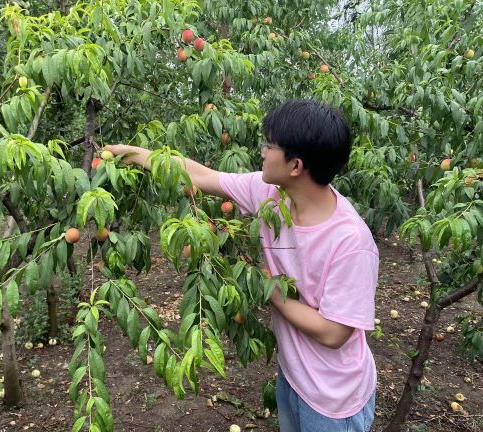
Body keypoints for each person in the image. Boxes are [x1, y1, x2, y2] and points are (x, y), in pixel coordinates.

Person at [104, 99, 378, 432]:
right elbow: (201, 175)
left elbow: (334, 333)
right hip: (295, 377)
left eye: (270, 145)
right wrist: (131, 153)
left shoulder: (351, 242)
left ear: (295, 166)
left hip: (335, 400)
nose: (262, 151)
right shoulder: (271, 195)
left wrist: (266, 288)